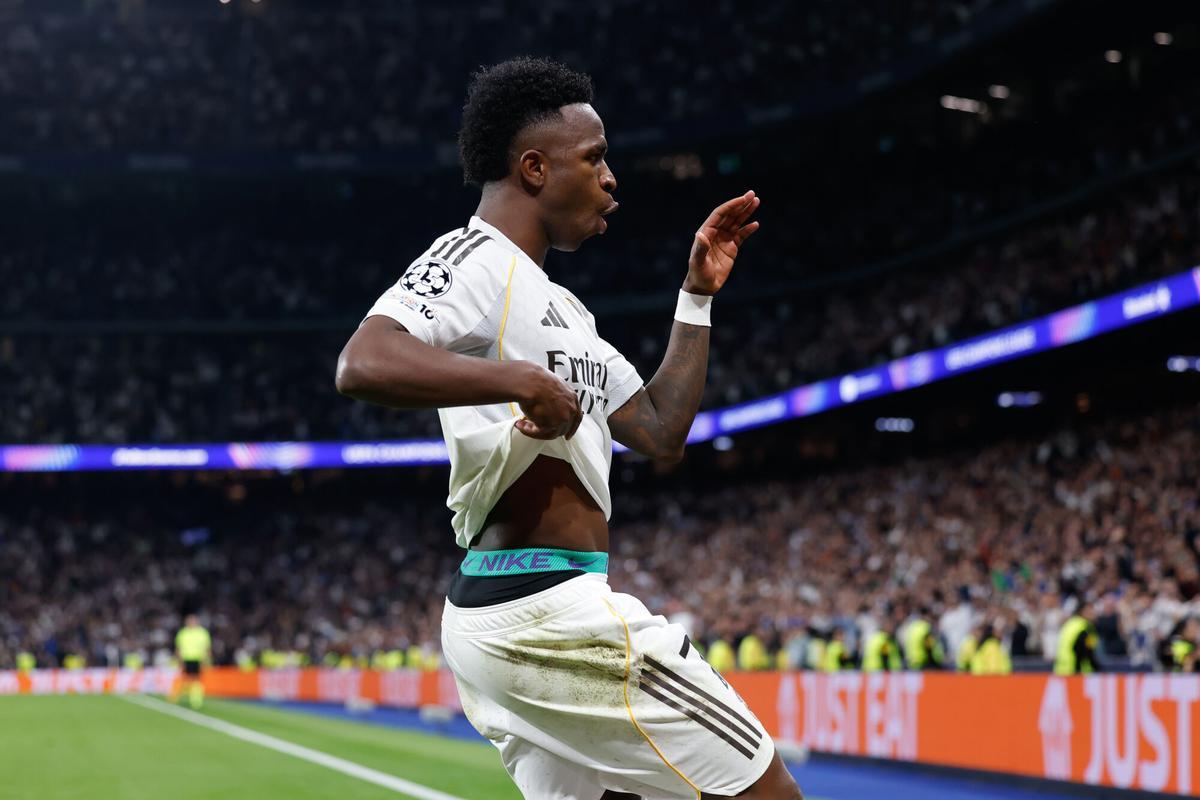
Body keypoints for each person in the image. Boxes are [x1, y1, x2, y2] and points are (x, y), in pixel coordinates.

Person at [337, 57, 800, 800]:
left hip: (532, 615)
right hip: (548, 615)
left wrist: (696, 297)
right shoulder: (473, 260)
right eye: (594, 158)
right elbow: (363, 361)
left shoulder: (567, 312)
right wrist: (516, 379)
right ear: (532, 168)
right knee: (766, 788)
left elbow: (657, 428)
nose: (612, 177)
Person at [173, 614, 211, 709]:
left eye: (193, 620)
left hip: (198, 659)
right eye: (190, 620)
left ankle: (196, 700)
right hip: (186, 659)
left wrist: (206, 659)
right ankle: (179, 695)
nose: (192, 622)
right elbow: (178, 648)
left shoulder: (203, 633)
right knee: (185, 679)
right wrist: (179, 659)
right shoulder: (183, 633)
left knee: (197, 679)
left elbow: (207, 648)